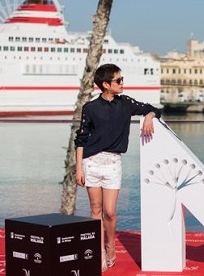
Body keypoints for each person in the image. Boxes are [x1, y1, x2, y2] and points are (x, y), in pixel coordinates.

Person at [74, 63, 161, 272]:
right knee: (96, 211)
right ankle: (99, 252)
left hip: (113, 163)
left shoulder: (126, 103)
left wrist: (149, 116)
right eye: (118, 80)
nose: (122, 83)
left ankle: (110, 245)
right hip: (92, 162)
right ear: (105, 85)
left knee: (110, 212)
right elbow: (81, 139)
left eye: (122, 79)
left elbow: (153, 108)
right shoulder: (90, 108)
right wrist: (79, 168)